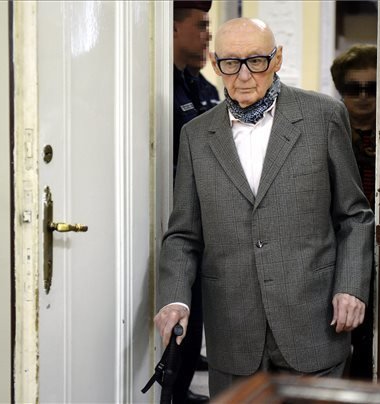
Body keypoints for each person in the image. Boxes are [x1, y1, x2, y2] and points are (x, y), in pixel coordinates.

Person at [154, 17, 374, 397]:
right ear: (214, 62)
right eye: (230, 63)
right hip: (234, 332)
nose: (243, 76)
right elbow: (184, 235)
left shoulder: (323, 117)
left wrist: (351, 287)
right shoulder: (195, 136)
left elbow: (354, 216)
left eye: (256, 61)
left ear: (277, 59)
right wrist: (175, 298)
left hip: (315, 323)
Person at [171, 1, 219, 402]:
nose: (208, 34)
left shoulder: (202, 87)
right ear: (173, 28)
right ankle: (174, 389)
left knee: (199, 301)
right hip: (178, 215)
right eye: (200, 25)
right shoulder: (164, 86)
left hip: (208, 216)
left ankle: (184, 382)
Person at [330, 44, 377, 380]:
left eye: (371, 88)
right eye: (353, 88)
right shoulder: (326, 129)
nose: (362, 97)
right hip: (337, 245)